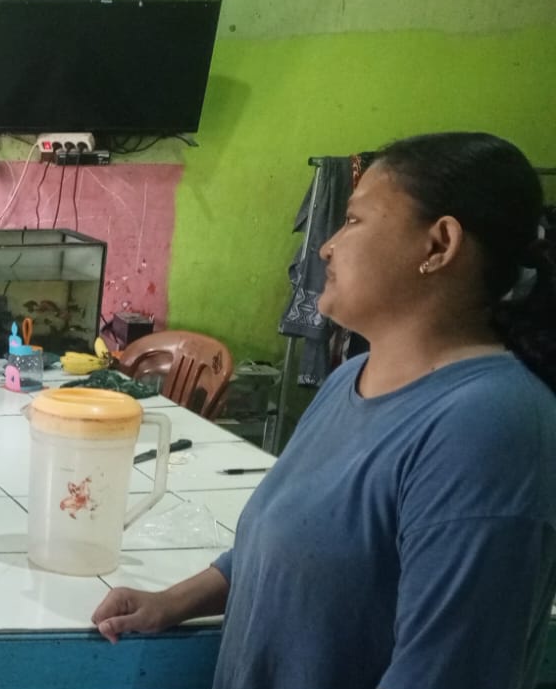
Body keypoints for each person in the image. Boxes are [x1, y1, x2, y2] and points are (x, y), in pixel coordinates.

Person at [92, 132, 556, 688]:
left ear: (439, 244)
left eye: (354, 220)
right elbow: (288, 547)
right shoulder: (347, 382)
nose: (326, 247)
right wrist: (172, 602)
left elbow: (448, 672)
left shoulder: (489, 426)